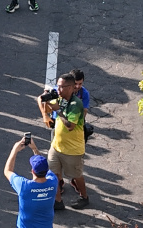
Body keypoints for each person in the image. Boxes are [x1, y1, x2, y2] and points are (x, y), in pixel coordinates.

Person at [39, 72, 89, 208]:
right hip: (56, 146)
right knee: (53, 174)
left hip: (72, 150)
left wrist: (58, 110)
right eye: (58, 86)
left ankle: (84, 197)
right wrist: (46, 109)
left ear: (70, 88)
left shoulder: (76, 104)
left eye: (61, 87)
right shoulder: (60, 97)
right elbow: (42, 100)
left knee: (76, 175)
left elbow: (70, 126)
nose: (58, 89)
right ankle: (58, 201)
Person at [3, 136, 59, 228]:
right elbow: (44, 166)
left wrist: (14, 150)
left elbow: (7, 171)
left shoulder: (24, 186)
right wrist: (34, 148)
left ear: (32, 171)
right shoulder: (53, 181)